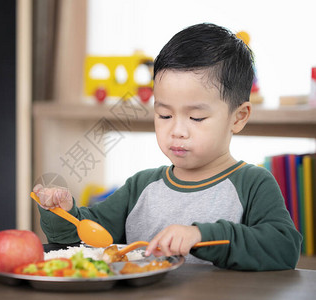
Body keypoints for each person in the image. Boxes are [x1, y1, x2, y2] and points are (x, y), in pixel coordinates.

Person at [33, 23, 302, 271]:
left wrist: (202, 236)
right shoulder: (140, 188)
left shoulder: (253, 184)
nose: (177, 131)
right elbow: (82, 240)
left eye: (196, 118)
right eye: (164, 115)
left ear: (238, 117)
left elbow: (284, 248)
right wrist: (62, 212)